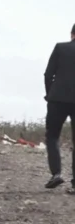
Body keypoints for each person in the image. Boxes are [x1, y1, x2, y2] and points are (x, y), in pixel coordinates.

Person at [43, 24, 75, 191]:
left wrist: (49, 94)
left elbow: (48, 74)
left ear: (72, 34)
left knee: (52, 136)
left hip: (57, 99)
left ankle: (56, 174)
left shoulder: (60, 48)